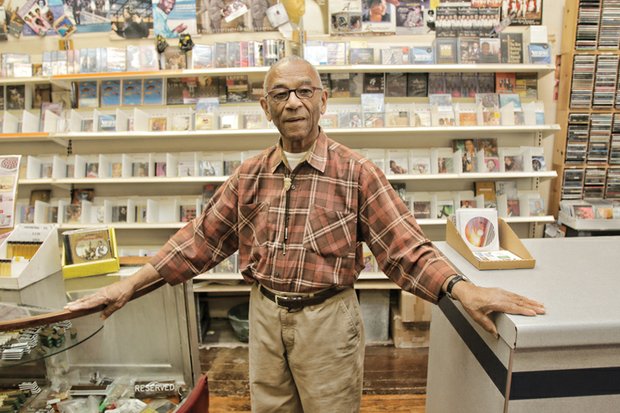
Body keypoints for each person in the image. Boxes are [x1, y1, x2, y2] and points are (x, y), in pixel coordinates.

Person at [66, 57, 545, 413]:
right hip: (265, 316)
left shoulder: (356, 173)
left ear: (322, 99)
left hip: (328, 322)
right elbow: (200, 239)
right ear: (265, 107)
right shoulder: (250, 174)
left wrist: (464, 290)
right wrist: (129, 283)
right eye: (280, 94)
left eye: (303, 91)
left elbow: (406, 249)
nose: (293, 102)